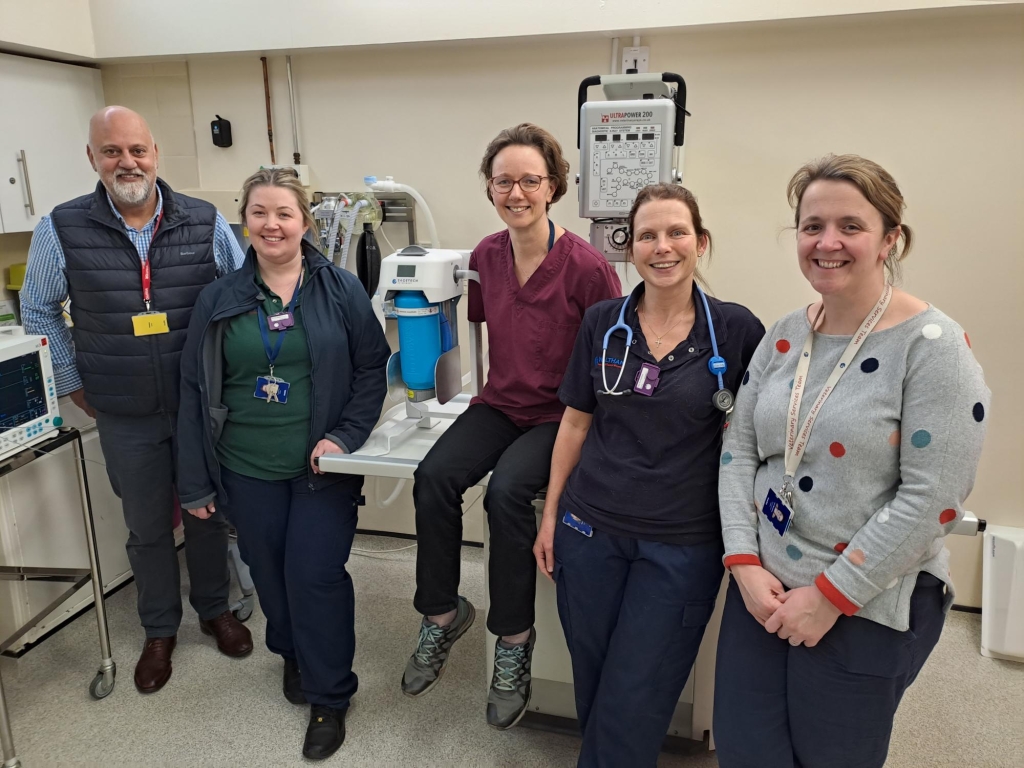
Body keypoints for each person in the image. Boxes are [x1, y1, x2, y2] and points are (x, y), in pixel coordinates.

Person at [714, 154, 990, 768]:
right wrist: (744, 563)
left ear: (891, 239)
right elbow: (738, 452)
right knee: (745, 751)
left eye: (851, 226)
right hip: (762, 589)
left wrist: (830, 596)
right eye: (812, 226)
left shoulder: (934, 348)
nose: (827, 242)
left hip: (867, 598)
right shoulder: (785, 334)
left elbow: (934, 497)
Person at [21, 106, 251, 695]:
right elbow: (38, 309)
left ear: (155, 153)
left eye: (137, 150)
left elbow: (239, 295)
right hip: (123, 410)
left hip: (199, 405)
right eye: (112, 151)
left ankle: (215, 609)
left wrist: (232, 379)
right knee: (146, 526)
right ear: (92, 158)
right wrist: (73, 382)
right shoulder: (60, 227)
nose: (127, 162)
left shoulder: (203, 220)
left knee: (207, 514)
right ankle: (159, 629)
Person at [533, 183, 765, 766]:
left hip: (681, 542)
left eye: (676, 232)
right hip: (589, 530)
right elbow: (575, 423)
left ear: (700, 242)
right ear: (630, 248)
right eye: (647, 236)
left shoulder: (735, 331)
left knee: (639, 689)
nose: (663, 247)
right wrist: (552, 515)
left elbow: (755, 442)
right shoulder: (602, 322)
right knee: (595, 675)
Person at [401, 123, 621, 728]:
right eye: (504, 181)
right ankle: (442, 614)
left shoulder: (587, 268)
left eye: (530, 180)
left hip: (561, 414)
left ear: (553, 187)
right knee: (433, 477)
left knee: (506, 494)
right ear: (490, 188)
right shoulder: (486, 256)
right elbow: (483, 327)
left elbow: (609, 358)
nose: (516, 192)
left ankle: (514, 641)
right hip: (500, 404)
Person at [176, 168, 390, 760]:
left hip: (322, 468)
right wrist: (194, 481)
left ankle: (329, 696)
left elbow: (372, 368)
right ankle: (294, 653)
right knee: (270, 575)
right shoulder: (220, 298)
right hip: (245, 466)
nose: (272, 224)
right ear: (245, 220)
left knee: (315, 576)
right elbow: (194, 389)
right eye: (260, 212)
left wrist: (345, 436)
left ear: (305, 222)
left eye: (284, 213)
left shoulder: (340, 289)